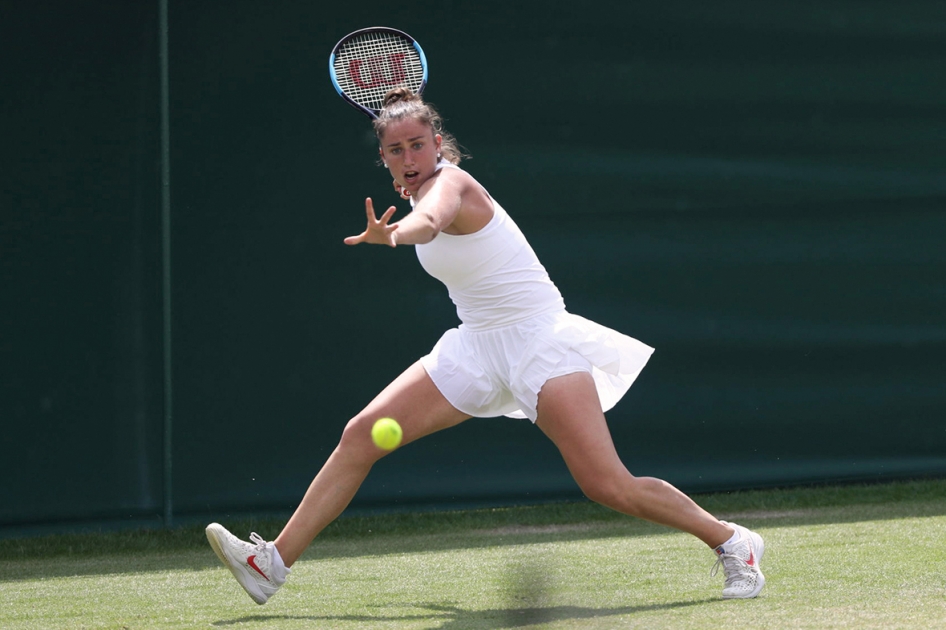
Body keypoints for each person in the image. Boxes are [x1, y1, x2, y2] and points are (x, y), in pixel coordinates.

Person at [205, 87, 765, 605]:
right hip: (474, 347)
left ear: (438, 143)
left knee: (606, 484)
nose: (408, 156)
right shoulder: (417, 183)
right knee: (360, 435)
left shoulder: (452, 184)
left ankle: (733, 542)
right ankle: (271, 563)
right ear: (383, 157)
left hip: (539, 341)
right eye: (395, 150)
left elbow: (428, 222)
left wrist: (396, 233)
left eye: (418, 145)